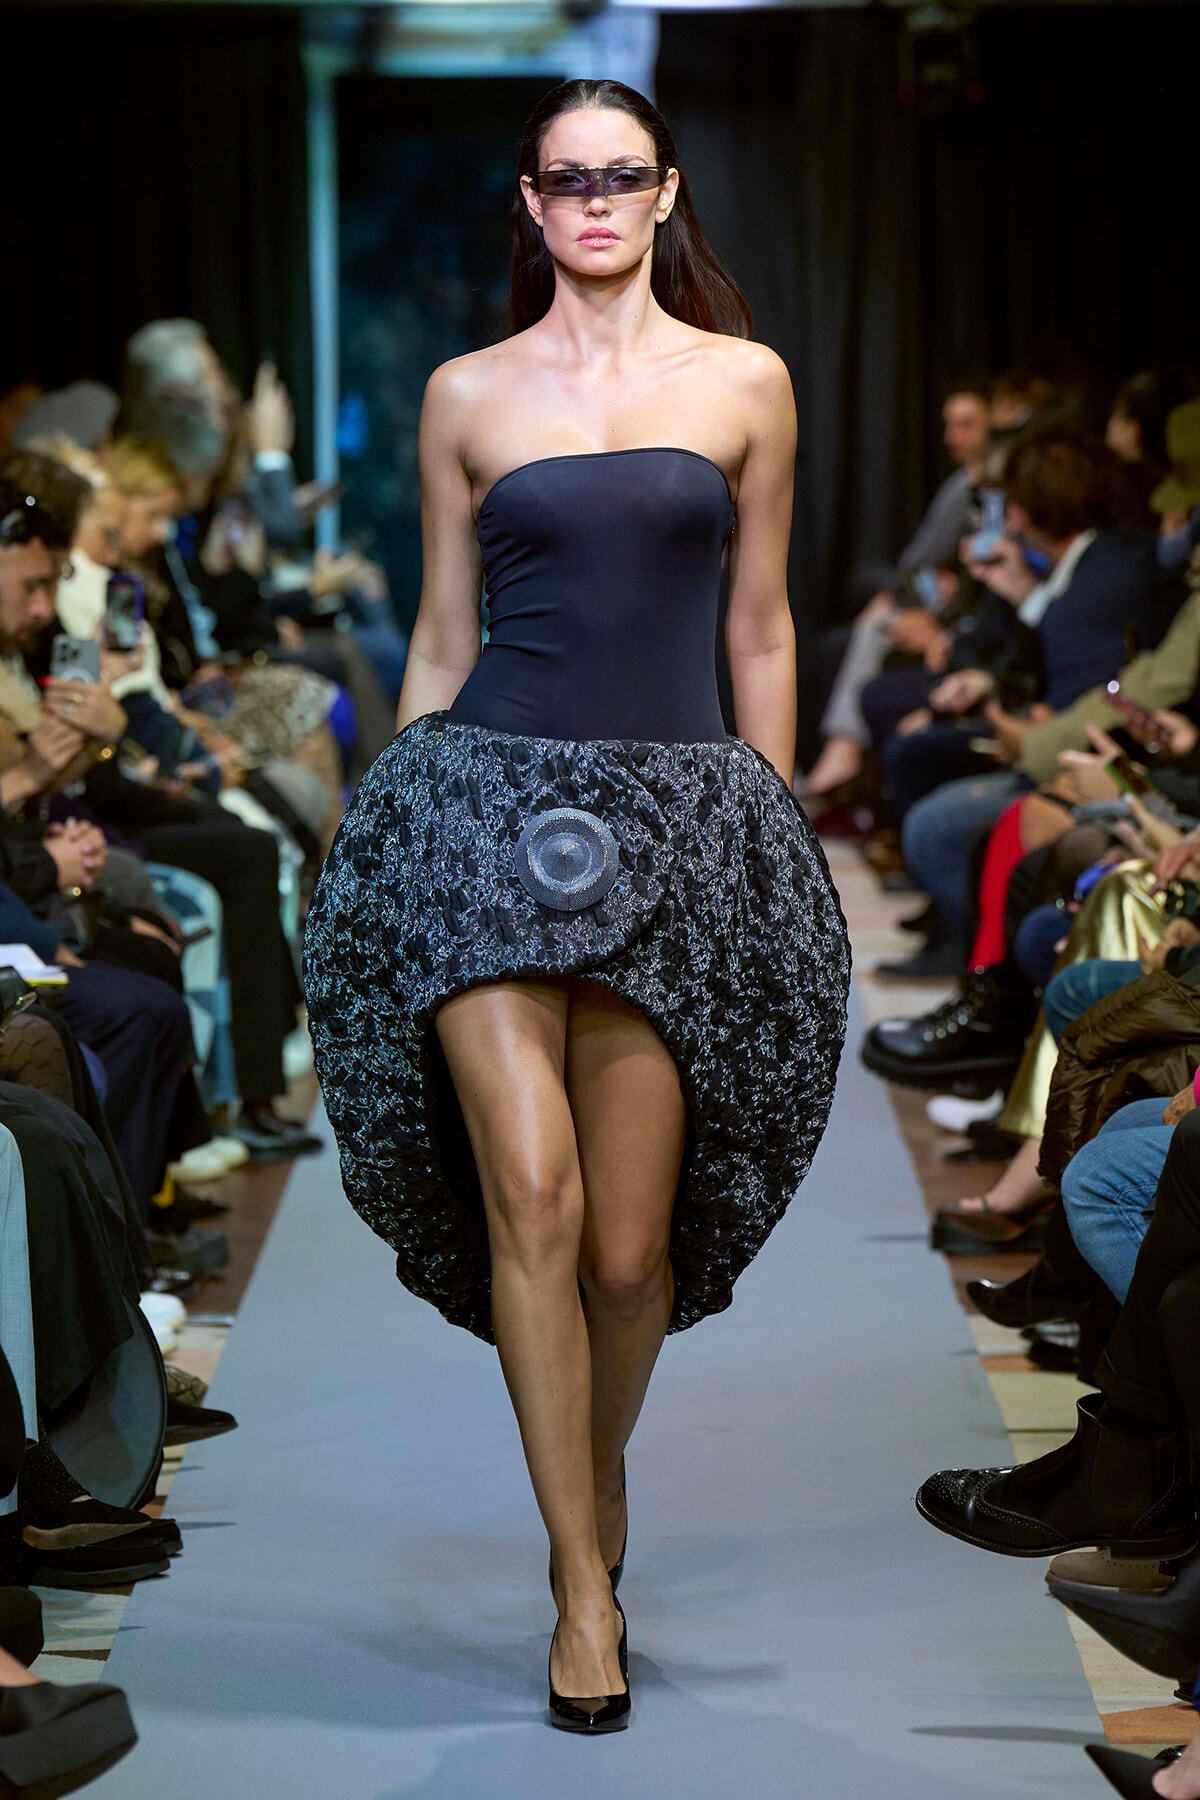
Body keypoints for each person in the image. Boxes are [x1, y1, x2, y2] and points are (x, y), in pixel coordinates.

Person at [304, 77, 850, 1733]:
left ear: (667, 192)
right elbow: (444, 632)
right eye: (568, 179)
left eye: (626, 176)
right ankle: (584, 1585)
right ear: (531, 203)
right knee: (527, 1198)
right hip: (483, 816)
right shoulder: (467, 392)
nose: (599, 202)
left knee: (627, 1252)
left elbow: (760, 626)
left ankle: (591, 1492)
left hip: (685, 832)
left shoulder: (745, 384)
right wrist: (394, 820)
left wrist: (778, 833)